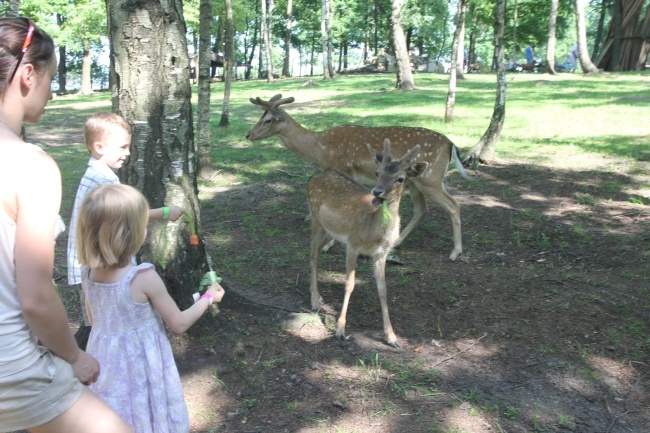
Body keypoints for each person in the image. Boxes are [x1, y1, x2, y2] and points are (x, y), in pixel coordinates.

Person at [0, 17, 133, 432]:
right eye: (50, 78)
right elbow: (36, 298)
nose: (52, 92)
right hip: (11, 369)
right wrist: (75, 358)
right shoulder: (30, 166)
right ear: (27, 75)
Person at [76, 183, 225, 432]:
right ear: (131, 232)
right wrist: (208, 298)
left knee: (116, 412)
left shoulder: (88, 273)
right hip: (142, 364)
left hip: (104, 362)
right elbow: (178, 323)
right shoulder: (142, 277)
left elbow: (94, 317)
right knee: (146, 412)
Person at [66, 112, 183, 339]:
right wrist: (166, 211)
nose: (127, 153)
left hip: (92, 261)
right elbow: (130, 215)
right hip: (100, 262)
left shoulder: (95, 175)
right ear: (100, 147)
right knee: (108, 320)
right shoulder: (103, 181)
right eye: (122, 147)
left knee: (99, 322)